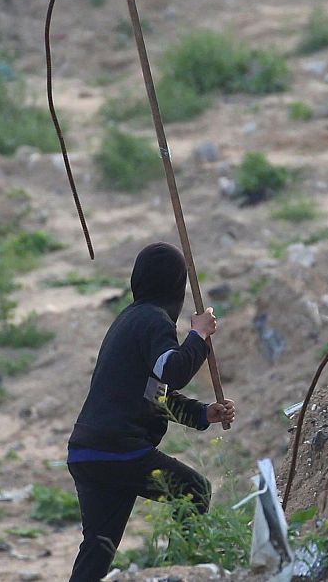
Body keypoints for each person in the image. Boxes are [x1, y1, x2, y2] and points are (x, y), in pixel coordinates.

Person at [65, 242, 236, 582]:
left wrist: (205, 414)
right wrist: (198, 335)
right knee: (194, 490)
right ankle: (183, 570)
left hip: (88, 453)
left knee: (97, 550)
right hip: (118, 449)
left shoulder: (130, 319)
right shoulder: (152, 321)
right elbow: (173, 370)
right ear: (176, 285)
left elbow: (155, 394)